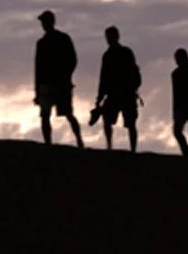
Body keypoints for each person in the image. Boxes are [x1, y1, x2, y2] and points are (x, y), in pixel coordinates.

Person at [34, 10, 83, 148]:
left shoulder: (61, 39)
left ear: (51, 22)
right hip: (47, 84)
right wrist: (37, 90)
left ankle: (79, 140)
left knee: (67, 113)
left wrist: (65, 77)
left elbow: (72, 60)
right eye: (42, 22)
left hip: (59, 83)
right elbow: (38, 68)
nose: (43, 24)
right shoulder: (42, 43)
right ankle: (48, 143)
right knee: (45, 116)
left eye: (45, 21)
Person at [93, 26, 141, 153]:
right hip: (115, 94)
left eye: (110, 37)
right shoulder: (108, 55)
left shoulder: (124, 53)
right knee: (108, 120)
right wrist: (99, 97)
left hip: (126, 94)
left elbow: (134, 73)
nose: (108, 39)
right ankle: (110, 147)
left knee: (130, 124)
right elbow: (103, 78)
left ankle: (132, 150)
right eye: (107, 37)